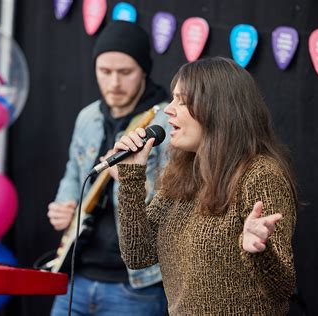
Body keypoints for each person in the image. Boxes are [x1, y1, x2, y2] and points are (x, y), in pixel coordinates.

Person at [114, 56, 298, 315]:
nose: (169, 109)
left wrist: (259, 251)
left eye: (183, 100)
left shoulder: (261, 174)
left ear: (217, 109)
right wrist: (131, 176)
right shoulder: (181, 174)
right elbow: (138, 255)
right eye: (173, 97)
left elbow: (283, 287)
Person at [47, 21, 169, 316]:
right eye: (105, 71)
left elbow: (175, 203)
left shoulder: (166, 122)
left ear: (144, 69)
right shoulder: (87, 117)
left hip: (137, 284)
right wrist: (63, 206)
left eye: (125, 72)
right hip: (76, 274)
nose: (114, 82)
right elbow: (73, 174)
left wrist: (132, 180)